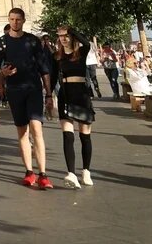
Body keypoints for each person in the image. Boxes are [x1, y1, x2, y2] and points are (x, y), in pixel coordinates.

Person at [0, 7, 54, 190]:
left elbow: (44, 69)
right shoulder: (1, 43)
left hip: (33, 88)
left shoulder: (32, 41)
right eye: (12, 19)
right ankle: (29, 172)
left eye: (18, 19)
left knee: (36, 128)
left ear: (24, 20)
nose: (15, 22)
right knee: (22, 132)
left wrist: (49, 94)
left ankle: (43, 174)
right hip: (14, 90)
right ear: (8, 20)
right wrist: (2, 73)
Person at [55, 26, 95, 188]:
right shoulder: (57, 56)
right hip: (65, 95)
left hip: (81, 95)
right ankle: (71, 173)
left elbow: (87, 43)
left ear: (72, 37)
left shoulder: (81, 52)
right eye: (61, 36)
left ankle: (86, 171)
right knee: (68, 135)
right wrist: (48, 97)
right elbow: (52, 76)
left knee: (85, 136)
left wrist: (72, 30)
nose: (64, 38)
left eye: (67, 35)